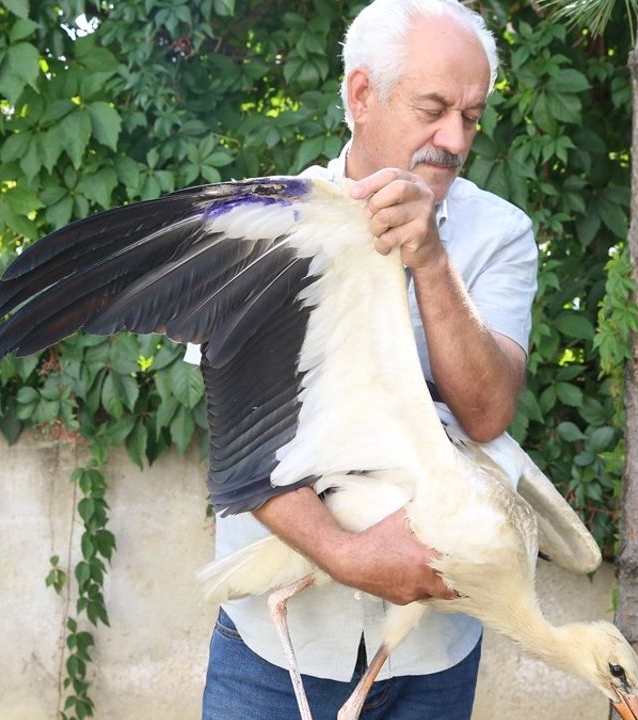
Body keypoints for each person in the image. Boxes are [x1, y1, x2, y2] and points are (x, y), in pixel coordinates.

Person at [201, 1, 537, 717]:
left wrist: (432, 260)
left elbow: (485, 413)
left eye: (472, 117)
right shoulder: (269, 228)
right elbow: (240, 438)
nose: (454, 138)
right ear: (362, 95)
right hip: (274, 650)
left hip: (430, 656)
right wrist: (345, 555)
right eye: (434, 108)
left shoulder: (499, 235)